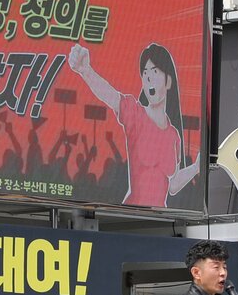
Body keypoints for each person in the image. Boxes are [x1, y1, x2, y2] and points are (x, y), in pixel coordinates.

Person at [67, 43, 199, 206]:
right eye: (145, 73)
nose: (149, 77)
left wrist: (196, 167)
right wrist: (86, 70)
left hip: (159, 218)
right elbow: (110, 95)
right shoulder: (135, 114)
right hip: (132, 212)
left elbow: (172, 186)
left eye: (155, 71)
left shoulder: (174, 135)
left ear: (169, 82)